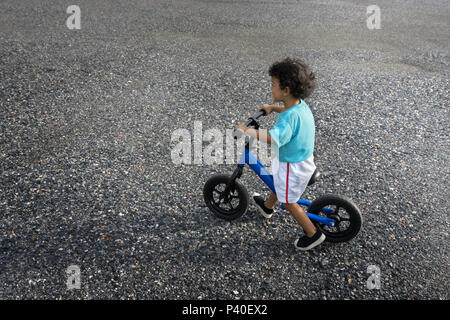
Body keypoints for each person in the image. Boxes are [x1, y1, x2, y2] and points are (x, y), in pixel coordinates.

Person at [235, 57, 325, 251]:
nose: (271, 88)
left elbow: (275, 138)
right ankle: (267, 206)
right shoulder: (300, 106)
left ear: (285, 90)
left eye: (273, 84)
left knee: (288, 202)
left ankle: (313, 233)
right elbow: (288, 110)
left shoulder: (288, 118)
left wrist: (247, 131)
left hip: (292, 165)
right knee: (278, 181)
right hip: (302, 159)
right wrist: (272, 108)